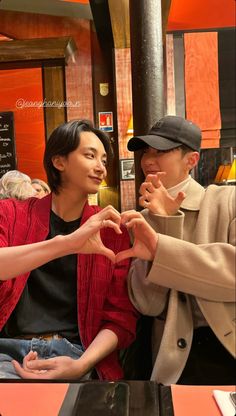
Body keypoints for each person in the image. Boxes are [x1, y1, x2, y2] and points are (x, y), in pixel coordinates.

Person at [0, 119, 138, 380]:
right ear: (59, 161)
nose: (100, 168)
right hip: (8, 352)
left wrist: (82, 364)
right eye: (90, 156)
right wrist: (66, 244)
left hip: (77, 354)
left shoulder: (112, 230)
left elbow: (120, 316)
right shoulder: (11, 213)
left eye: (104, 161)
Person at [116, 115, 235, 385]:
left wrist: (162, 248)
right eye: (146, 152)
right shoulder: (143, 219)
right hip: (174, 359)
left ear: (191, 160)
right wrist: (163, 223)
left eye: (161, 152)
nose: (147, 160)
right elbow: (148, 305)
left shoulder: (226, 202)